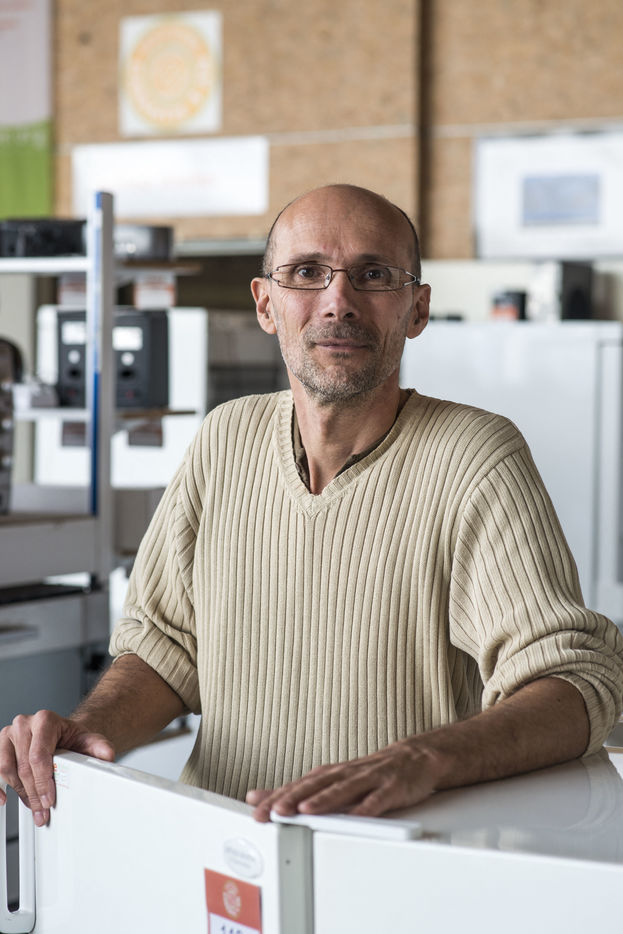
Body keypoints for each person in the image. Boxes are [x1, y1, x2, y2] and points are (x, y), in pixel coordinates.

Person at [2, 184, 623, 829]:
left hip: (397, 856)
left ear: (417, 308)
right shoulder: (224, 437)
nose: (338, 301)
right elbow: (167, 646)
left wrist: (423, 759)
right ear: (265, 303)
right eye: (306, 273)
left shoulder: (473, 457)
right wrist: (90, 728)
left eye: (373, 275)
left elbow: (577, 680)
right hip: (223, 846)